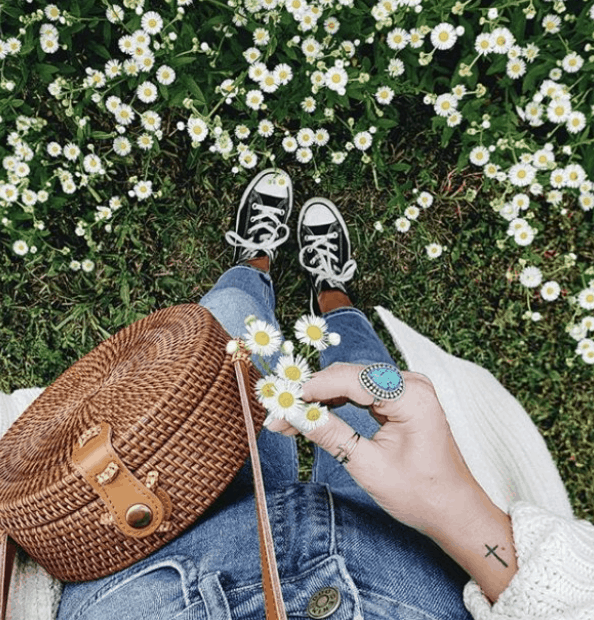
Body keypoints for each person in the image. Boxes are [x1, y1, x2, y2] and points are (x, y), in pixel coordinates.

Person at [5, 168, 594, 619]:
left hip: (144, 562)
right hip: (406, 567)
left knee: (225, 328)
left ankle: (255, 262)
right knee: (365, 371)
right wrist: (459, 512)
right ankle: (333, 295)